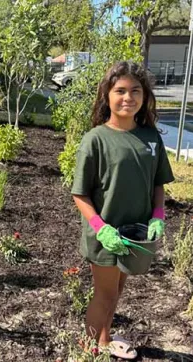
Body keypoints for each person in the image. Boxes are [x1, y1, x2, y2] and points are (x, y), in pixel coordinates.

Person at [71, 61, 174, 359]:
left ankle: (104, 341)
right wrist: (100, 227)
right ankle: (89, 352)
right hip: (104, 234)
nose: (128, 97)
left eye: (135, 91)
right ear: (107, 95)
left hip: (136, 235)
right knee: (104, 295)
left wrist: (158, 216)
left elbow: (158, 184)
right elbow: (80, 193)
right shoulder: (96, 140)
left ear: (144, 97)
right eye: (120, 91)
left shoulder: (151, 138)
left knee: (117, 291)